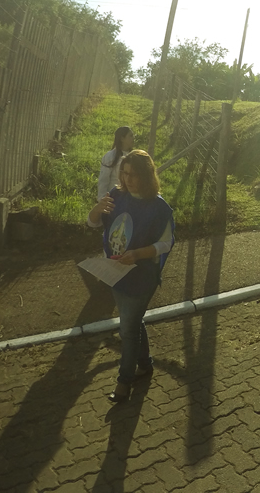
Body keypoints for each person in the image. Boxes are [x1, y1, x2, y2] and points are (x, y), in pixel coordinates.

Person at [88, 149, 174, 403]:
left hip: (142, 276)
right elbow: (93, 223)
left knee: (126, 329)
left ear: (146, 176)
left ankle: (124, 381)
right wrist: (96, 209)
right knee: (133, 322)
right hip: (117, 272)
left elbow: (166, 243)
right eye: (124, 173)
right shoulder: (117, 195)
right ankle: (145, 364)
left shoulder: (159, 207)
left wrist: (137, 254)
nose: (128, 179)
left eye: (134, 175)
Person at [98, 126, 135, 200]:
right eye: (130, 136)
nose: (133, 138)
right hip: (113, 198)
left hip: (130, 198)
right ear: (122, 139)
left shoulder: (134, 156)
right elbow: (103, 180)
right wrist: (102, 199)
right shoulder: (110, 156)